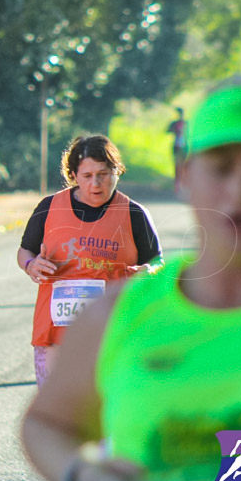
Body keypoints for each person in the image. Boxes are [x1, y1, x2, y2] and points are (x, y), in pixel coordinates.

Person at [21, 76, 241, 481]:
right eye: (221, 167)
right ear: (185, 177)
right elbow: (48, 424)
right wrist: (84, 473)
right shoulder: (122, 312)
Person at [16, 134, 163, 388]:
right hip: (55, 333)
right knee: (58, 410)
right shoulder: (49, 207)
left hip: (114, 331)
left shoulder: (133, 213)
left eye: (104, 174)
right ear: (73, 175)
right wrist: (31, 265)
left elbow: (157, 260)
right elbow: (25, 251)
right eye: (87, 176)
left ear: (117, 171)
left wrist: (148, 271)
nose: (96, 183)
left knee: (105, 413)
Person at [166, 107, 187, 191]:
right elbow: (168, 130)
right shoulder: (175, 123)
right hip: (177, 146)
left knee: (184, 165)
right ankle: (178, 183)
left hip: (185, 146)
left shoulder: (186, 123)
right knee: (177, 164)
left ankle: (183, 183)